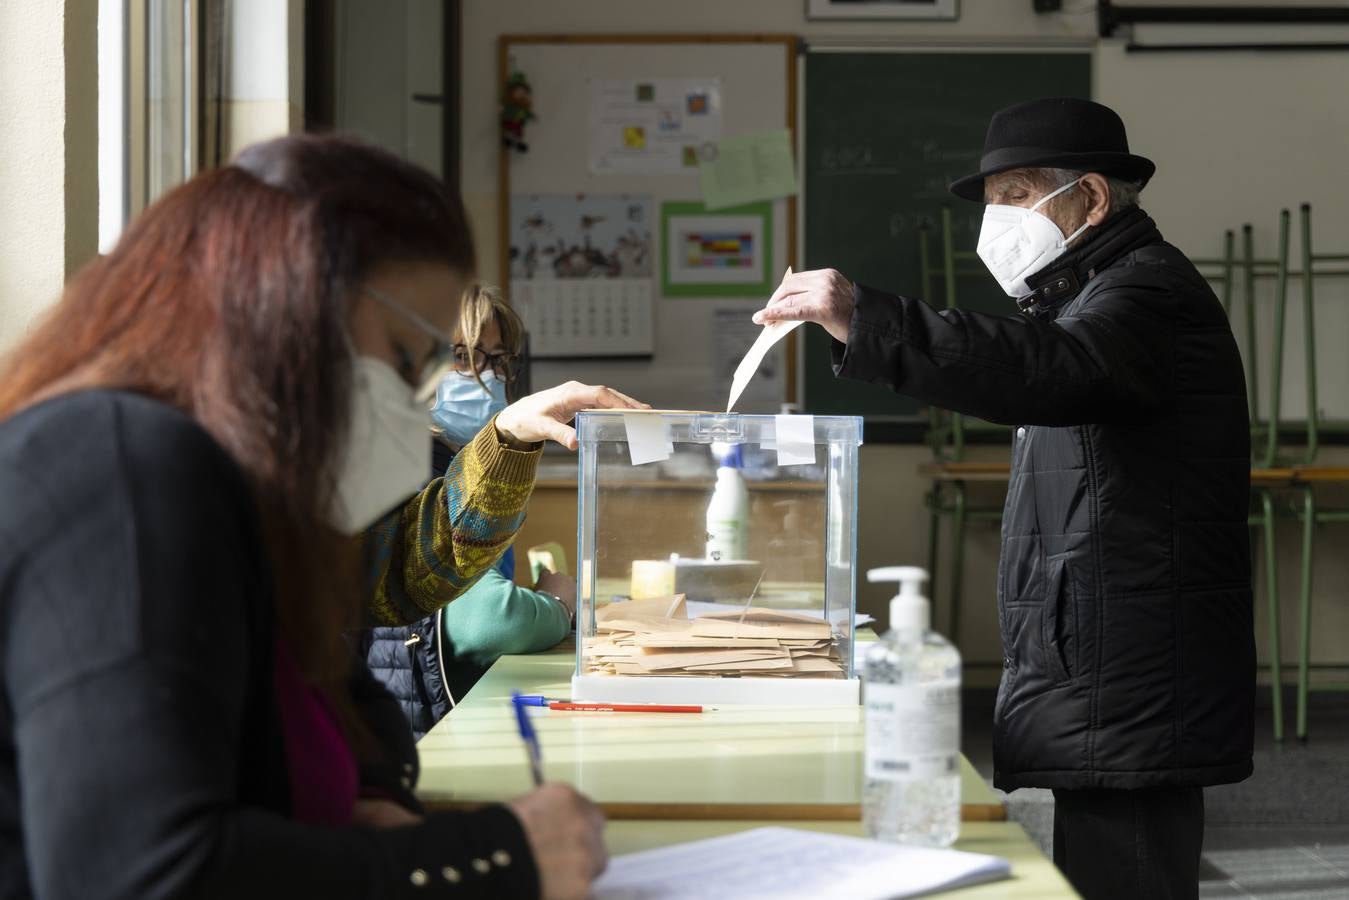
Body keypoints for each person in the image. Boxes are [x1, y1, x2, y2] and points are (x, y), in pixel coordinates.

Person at [0, 133, 645, 899]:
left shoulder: (240, 492)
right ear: (291, 307)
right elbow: (142, 872)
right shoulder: (120, 470)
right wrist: (496, 857)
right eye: (407, 359)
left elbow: (337, 684)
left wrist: (370, 801)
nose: (417, 402)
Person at [753, 98, 1253, 900]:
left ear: (1088, 198)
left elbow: (1050, 367)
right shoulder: (1086, 295)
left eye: (1014, 198)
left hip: (1132, 665)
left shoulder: (1146, 296)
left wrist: (866, 317)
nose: (995, 225)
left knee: (1125, 876)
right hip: (1107, 656)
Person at [364, 285, 575, 737]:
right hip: (420, 730)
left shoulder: (450, 458)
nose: (487, 377)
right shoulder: (407, 468)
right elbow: (488, 621)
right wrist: (560, 604)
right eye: (461, 357)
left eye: (495, 359)